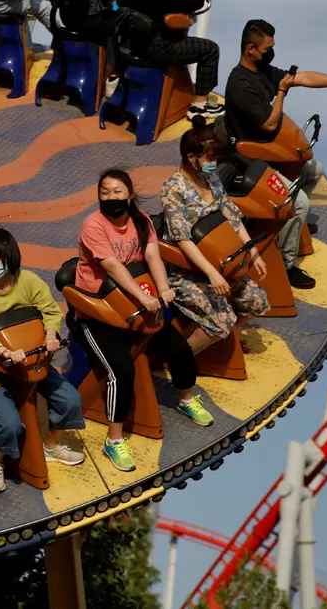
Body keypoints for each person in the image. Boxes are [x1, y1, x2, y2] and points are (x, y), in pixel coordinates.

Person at [73, 169, 210, 473]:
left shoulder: (141, 220)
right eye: (105, 192)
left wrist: (162, 289)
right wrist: (144, 298)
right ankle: (114, 439)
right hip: (100, 308)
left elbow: (152, 257)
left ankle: (186, 397)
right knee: (120, 370)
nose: (111, 198)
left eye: (117, 192)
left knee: (179, 349)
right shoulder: (92, 225)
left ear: (130, 194)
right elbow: (112, 267)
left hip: (137, 301)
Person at [223, 19, 327, 289]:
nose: (272, 51)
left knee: (313, 169)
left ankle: (290, 227)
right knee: (300, 202)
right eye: (267, 47)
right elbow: (270, 123)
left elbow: (304, 77)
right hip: (247, 160)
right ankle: (286, 265)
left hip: (268, 151)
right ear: (250, 49)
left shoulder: (263, 70)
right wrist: (281, 92)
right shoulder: (240, 84)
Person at [0, 228, 85, 492]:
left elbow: (51, 311)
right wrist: (5, 351)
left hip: (32, 361)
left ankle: (51, 444)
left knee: (70, 399)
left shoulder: (28, 281)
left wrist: (51, 334)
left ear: (10, 257)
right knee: (9, 424)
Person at [160, 125, 271, 345]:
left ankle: (220, 342)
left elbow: (233, 219)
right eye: (209, 158)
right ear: (192, 158)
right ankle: (184, 360)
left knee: (257, 301)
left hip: (222, 261)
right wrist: (211, 273)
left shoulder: (212, 180)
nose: (214, 163)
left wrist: (253, 252)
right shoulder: (173, 189)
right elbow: (183, 239)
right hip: (190, 270)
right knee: (223, 321)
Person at [122, 0, 222, 118]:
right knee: (210, 49)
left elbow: (155, 0)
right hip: (159, 46)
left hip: (134, 42)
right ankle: (200, 104)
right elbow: (182, 4)